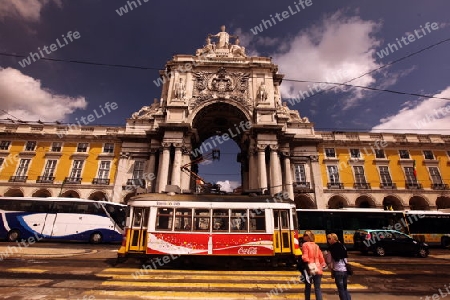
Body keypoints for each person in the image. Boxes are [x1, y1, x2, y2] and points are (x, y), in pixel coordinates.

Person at [301, 230, 326, 300]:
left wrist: (306, 266)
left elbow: (305, 257)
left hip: (310, 268)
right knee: (317, 289)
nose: (303, 236)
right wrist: (322, 266)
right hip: (318, 269)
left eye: (305, 235)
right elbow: (321, 258)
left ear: (308, 237)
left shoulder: (305, 245)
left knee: (308, 288)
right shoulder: (316, 246)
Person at [326, 233, 352, 300]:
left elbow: (328, 261)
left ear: (334, 238)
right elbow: (346, 257)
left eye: (329, 238)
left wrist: (326, 255)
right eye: (327, 238)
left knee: (341, 290)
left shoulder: (331, 248)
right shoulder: (343, 246)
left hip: (338, 271)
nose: (328, 240)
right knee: (345, 288)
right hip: (345, 270)